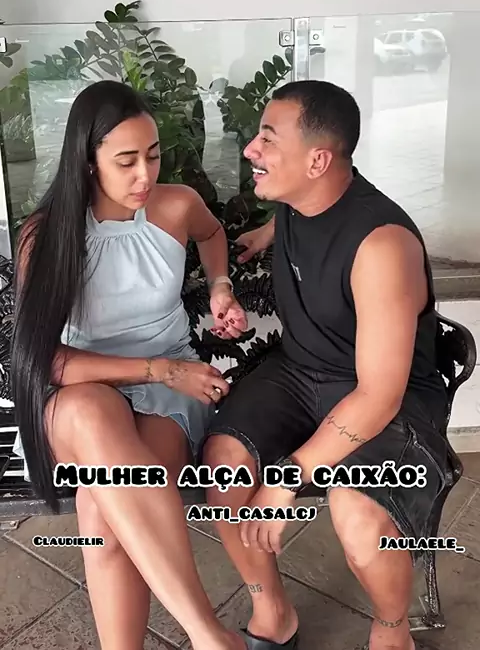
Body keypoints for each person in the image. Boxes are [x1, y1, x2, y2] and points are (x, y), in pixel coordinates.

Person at [202, 80, 450, 650]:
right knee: (223, 470)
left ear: (317, 161)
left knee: (356, 511)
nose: (251, 149)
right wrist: (263, 235)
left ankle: (392, 630)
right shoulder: (298, 198)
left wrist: (288, 477)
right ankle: (273, 612)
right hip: (300, 371)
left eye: (268, 138)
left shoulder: (382, 247)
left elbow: (378, 395)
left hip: (386, 398)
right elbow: (298, 221)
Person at [11, 79, 249, 650]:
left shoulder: (176, 205)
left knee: (104, 511)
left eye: (153, 155)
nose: (145, 175)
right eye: (126, 161)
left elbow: (213, 234)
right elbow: (47, 361)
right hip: (82, 385)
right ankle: (208, 635)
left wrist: (221, 286)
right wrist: (160, 370)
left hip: (170, 386)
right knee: (91, 417)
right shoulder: (46, 237)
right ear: (87, 162)